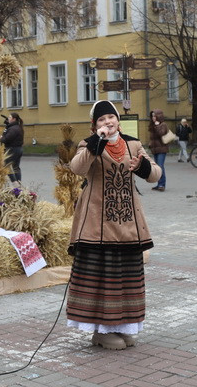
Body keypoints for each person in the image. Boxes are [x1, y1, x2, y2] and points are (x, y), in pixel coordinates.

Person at [66, 99, 161, 350]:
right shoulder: (88, 144)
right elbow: (77, 167)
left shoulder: (133, 143)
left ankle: (123, 326)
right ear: (94, 124)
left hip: (128, 223)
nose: (108, 122)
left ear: (118, 120)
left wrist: (142, 166)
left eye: (111, 117)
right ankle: (101, 331)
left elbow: (155, 173)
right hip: (97, 224)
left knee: (126, 276)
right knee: (102, 278)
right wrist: (97, 142)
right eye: (101, 119)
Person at [148, 109, 170, 192]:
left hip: (162, 149)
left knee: (160, 166)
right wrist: (150, 144)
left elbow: (161, 134)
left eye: (154, 116)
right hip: (155, 149)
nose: (153, 117)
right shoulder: (153, 125)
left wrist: (157, 126)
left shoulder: (163, 125)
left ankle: (162, 185)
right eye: (152, 116)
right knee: (157, 167)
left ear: (158, 116)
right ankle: (159, 184)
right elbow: (153, 138)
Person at [0, 113, 24, 183]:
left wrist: (1, 138)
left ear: (14, 119)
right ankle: (19, 184)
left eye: (10, 117)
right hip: (18, 149)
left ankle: (15, 183)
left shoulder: (13, 129)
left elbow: (6, 139)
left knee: (6, 166)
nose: (8, 119)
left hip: (12, 149)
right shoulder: (17, 127)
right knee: (16, 167)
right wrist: (7, 126)